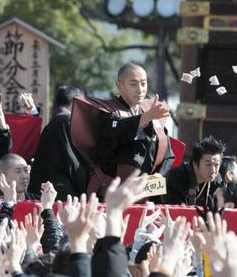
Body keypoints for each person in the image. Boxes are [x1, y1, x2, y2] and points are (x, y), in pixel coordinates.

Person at [71, 62, 175, 199]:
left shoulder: (152, 112)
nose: (140, 89)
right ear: (119, 85)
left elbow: (167, 154)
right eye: (133, 84)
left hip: (145, 193)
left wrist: (159, 175)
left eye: (143, 84)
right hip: (111, 194)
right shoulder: (108, 112)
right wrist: (146, 117)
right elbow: (118, 128)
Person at [28, 84, 88, 200]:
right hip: (60, 191)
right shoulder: (66, 120)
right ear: (77, 101)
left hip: (43, 189)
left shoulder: (55, 121)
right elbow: (72, 160)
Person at [163, 136, 225, 206]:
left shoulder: (217, 179)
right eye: (208, 164)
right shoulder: (176, 176)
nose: (213, 170)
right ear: (195, 163)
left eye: (216, 165)